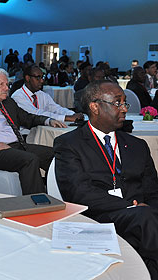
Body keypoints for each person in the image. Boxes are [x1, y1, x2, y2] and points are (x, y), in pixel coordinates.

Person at [54, 80, 158, 279]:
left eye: (125, 103)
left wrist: (150, 210)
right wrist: (132, 207)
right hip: (99, 217)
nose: (124, 109)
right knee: (145, 219)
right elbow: (78, 193)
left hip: (144, 218)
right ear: (95, 107)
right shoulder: (69, 144)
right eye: (117, 103)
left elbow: (153, 190)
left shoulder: (138, 145)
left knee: (148, 219)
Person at [0, 68, 66, 195]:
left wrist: (48, 121)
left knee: (53, 154)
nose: (6, 88)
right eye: (1, 84)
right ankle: (37, 202)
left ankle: (57, 194)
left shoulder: (9, 103)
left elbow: (27, 117)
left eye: (7, 84)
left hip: (17, 145)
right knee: (30, 159)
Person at [12, 65, 83, 122]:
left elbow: (55, 108)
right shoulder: (18, 96)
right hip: (26, 134)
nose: (42, 81)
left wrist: (72, 114)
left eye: (42, 77)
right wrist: (66, 118)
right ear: (28, 78)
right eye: (38, 78)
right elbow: (36, 114)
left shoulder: (41, 94)